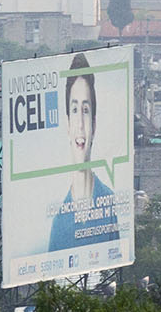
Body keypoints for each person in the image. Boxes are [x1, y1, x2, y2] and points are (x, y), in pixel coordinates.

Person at [46, 54, 121, 252]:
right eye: (74, 110)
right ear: (67, 124)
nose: (80, 124)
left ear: (94, 125)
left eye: (85, 111)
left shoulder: (111, 204)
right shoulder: (58, 223)